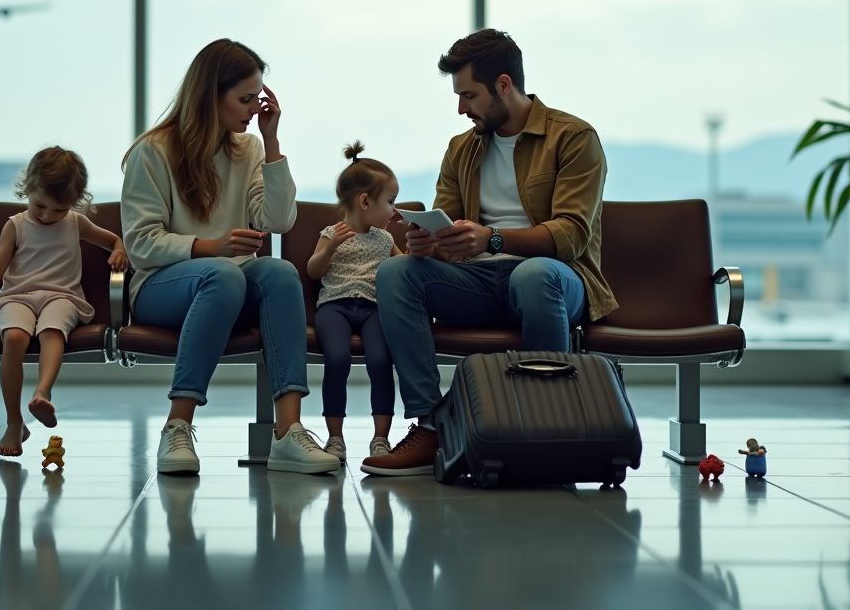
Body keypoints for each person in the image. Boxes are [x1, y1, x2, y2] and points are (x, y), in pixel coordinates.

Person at [361, 29, 617, 477]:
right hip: (478, 283)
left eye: (469, 95)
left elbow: (572, 234)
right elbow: (452, 232)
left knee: (533, 275)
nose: (461, 109)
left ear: (503, 84)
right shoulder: (461, 149)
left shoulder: (574, 137)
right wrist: (427, 245)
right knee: (398, 272)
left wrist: (493, 239)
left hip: (555, 280)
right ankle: (431, 426)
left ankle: (544, 425)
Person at [120, 38, 340, 476]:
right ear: (209, 96)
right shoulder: (153, 151)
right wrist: (210, 247)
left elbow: (278, 220)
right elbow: (140, 243)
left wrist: (272, 141)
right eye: (244, 100)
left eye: (258, 99)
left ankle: (288, 433)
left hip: (229, 282)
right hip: (161, 286)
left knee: (279, 272)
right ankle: (177, 426)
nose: (253, 110)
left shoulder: (250, 149)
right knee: (222, 274)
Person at [0, 146, 128, 457]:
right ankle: (14, 422)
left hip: (61, 296)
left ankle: (42, 393)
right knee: (14, 337)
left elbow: (114, 240)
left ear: (74, 204)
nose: (48, 216)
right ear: (28, 189)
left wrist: (118, 251)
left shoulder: (76, 222)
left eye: (59, 209)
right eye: (40, 205)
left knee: (52, 331)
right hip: (18, 295)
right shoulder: (16, 225)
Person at [305, 142, 403, 463]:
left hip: (374, 308)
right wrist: (330, 247)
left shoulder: (386, 239)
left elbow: (404, 271)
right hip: (335, 306)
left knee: (379, 362)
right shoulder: (331, 233)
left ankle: (381, 439)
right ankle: (335, 438)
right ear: (365, 201)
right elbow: (313, 270)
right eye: (390, 202)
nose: (393, 210)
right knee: (337, 360)